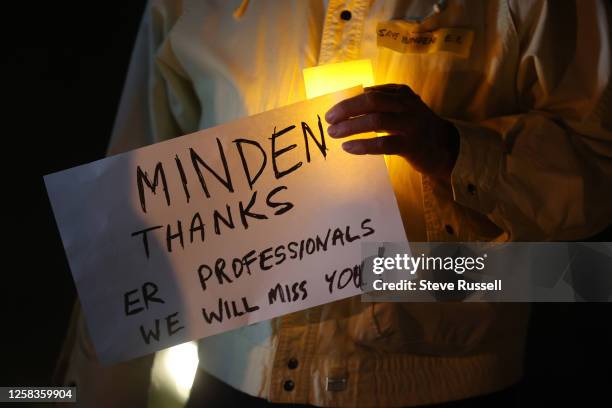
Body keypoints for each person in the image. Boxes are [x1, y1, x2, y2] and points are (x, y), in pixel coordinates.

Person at [56, 0, 612, 406]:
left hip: (440, 389)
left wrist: (451, 150)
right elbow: (134, 212)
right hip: (228, 386)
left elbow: (597, 168)